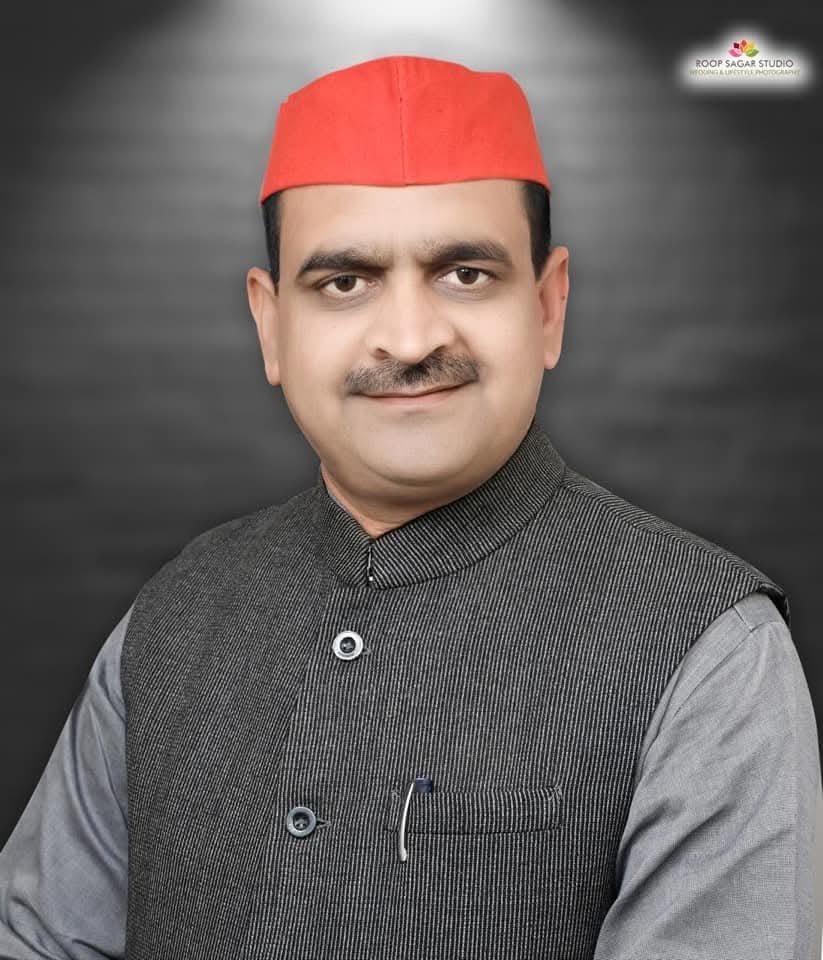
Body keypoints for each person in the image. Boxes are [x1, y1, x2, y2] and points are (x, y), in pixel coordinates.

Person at [0, 54, 820, 960]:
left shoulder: (709, 653)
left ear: (547, 308)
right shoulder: (173, 617)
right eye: (343, 282)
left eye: (464, 273)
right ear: (271, 326)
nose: (409, 337)